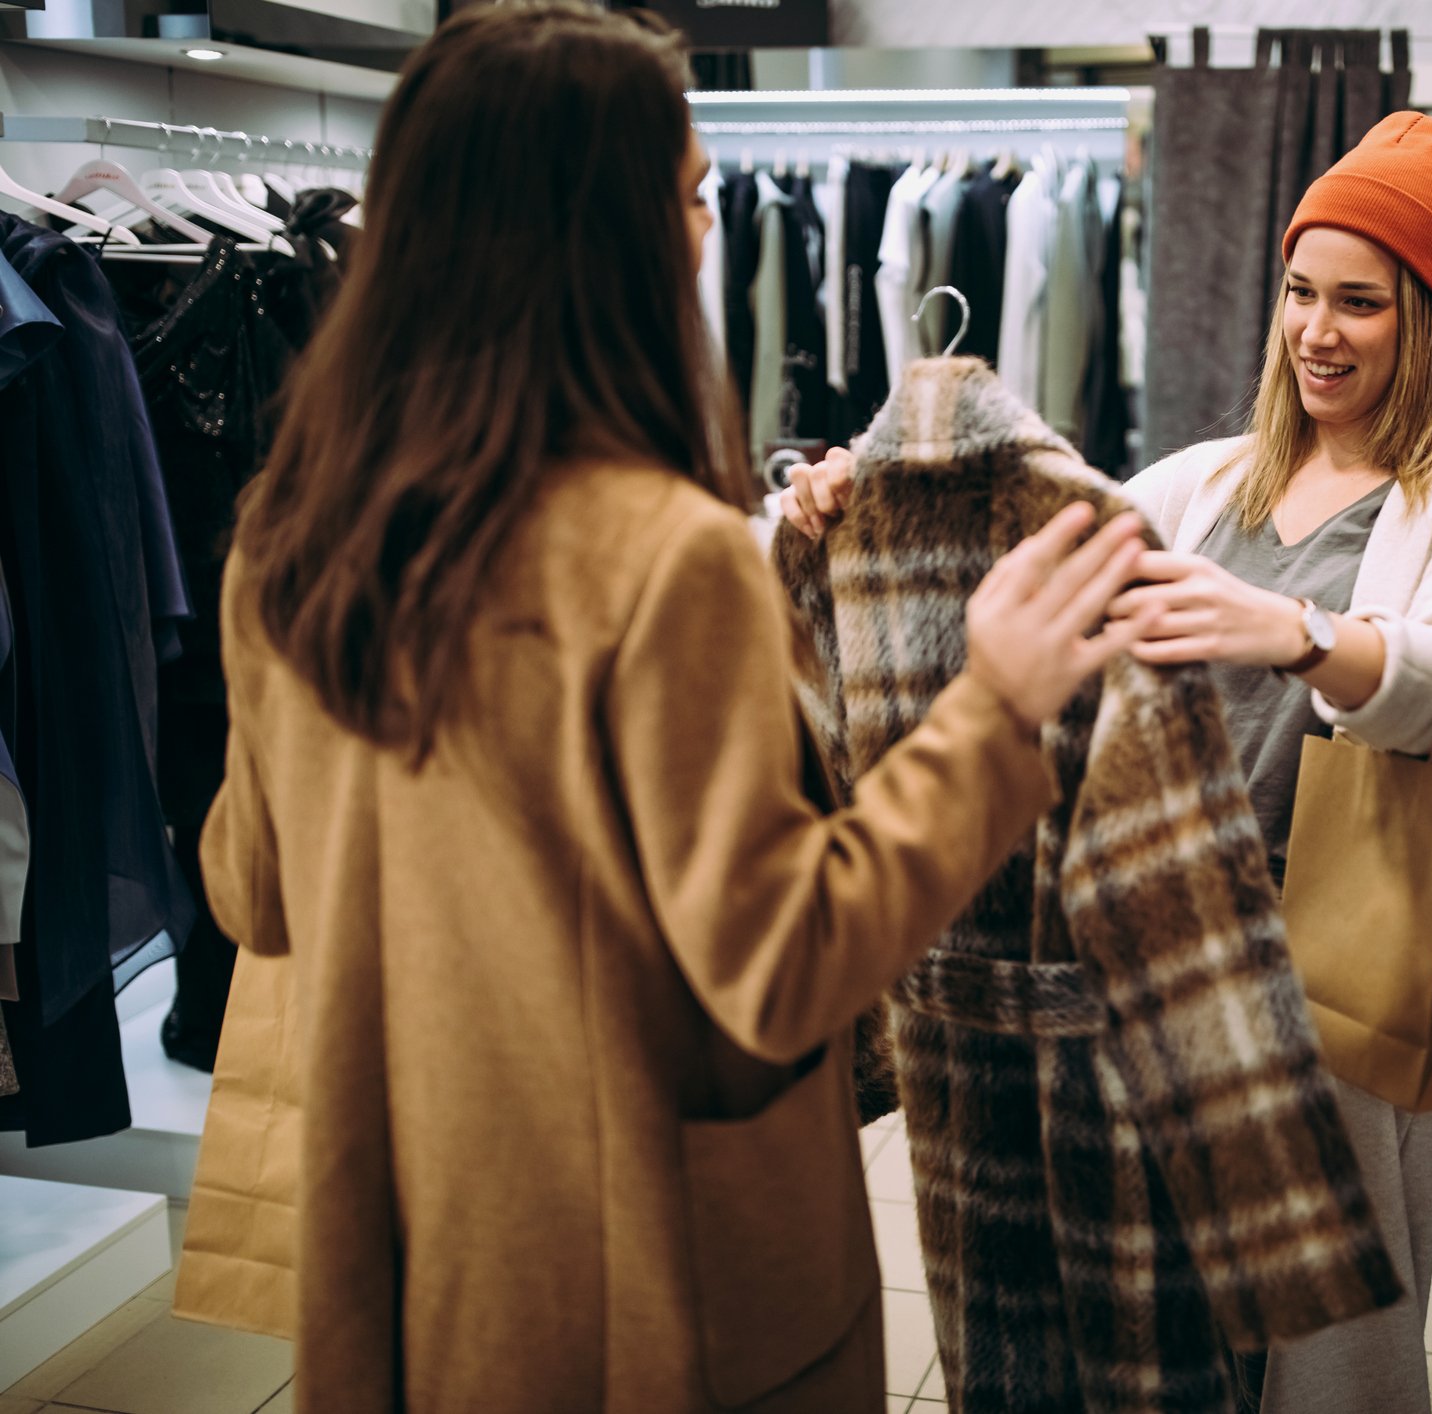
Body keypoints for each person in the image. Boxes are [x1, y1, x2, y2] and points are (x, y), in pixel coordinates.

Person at [194, 5, 1154, 1412]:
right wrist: (989, 713)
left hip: (411, 1244)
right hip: (651, 1274)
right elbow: (782, 959)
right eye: (692, 195)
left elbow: (254, 891)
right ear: (606, 231)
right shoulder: (659, 555)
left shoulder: (293, 536)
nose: (705, 232)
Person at [788, 110, 1432, 1414]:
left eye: (1359, 302)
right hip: (1178, 954)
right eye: (1300, 294)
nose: (1317, 330)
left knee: (1325, 1344)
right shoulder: (1205, 482)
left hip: (1334, 965)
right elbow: (1031, 539)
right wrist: (866, 487)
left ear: (1423, 318)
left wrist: (1299, 633)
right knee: (1176, 1317)